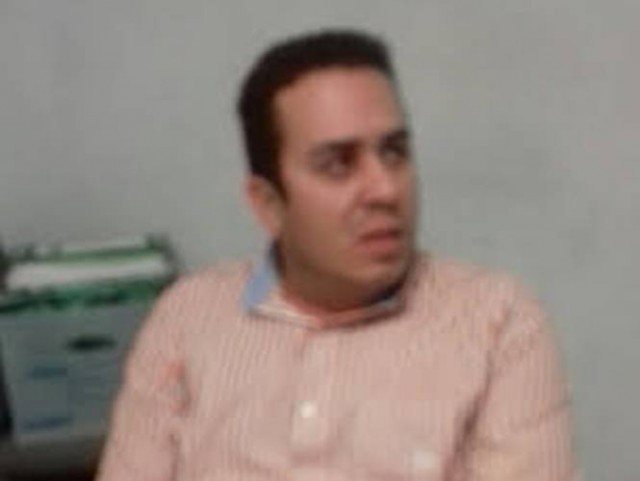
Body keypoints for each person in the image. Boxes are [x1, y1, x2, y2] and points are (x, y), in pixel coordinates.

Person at [96, 29, 577, 481]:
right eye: (338, 165)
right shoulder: (187, 319)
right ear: (268, 204)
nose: (385, 189)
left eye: (394, 153)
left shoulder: (497, 321)